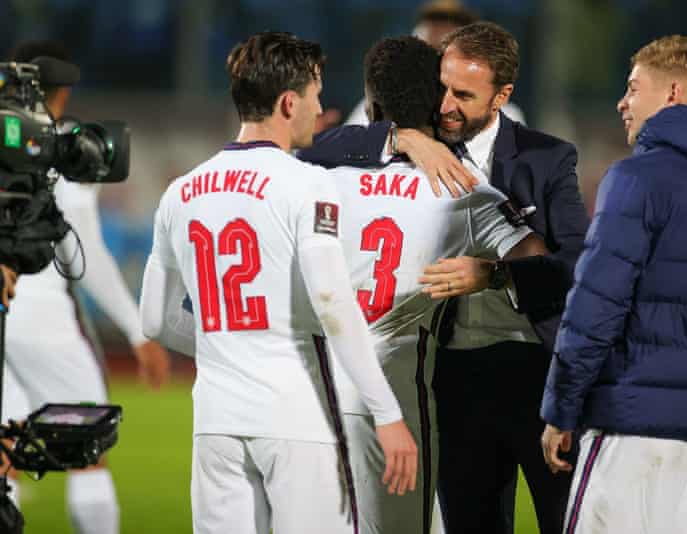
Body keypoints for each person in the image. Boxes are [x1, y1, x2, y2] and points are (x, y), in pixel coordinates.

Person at [300, 21, 589, 534]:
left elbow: (573, 267)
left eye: (464, 94)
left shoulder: (546, 157)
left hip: (533, 370)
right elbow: (316, 146)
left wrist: (493, 274)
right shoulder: (418, 159)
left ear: (502, 96)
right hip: (454, 378)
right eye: (443, 89)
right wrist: (402, 134)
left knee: (561, 520)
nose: (448, 105)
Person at [138, 32, 417, 534]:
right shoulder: (307, 182)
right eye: (314, 94)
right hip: (297, 419)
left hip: (216, 423)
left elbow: (153, 321)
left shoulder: (180, 192)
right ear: (289, 102)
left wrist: (227, 343)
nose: (320, 106)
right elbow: (332, 302)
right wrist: (387, 412)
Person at [540, 35, 687, 533]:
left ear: (671, 93)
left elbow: (594, 304)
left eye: (632, 87)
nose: (622, 102)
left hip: (631, 426)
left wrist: (561, 407)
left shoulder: (635, 179)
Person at [0, 40, 171, 534]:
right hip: (41, 318)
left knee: (5, 448)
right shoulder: (65, 147)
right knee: (88, 453)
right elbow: (84, 255)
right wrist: (138, 332)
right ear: (64, 91)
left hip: (5, 302)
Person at [341, 0, 526, 128]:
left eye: (446, 54)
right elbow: (349, 152)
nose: (436, 63)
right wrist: (401, 141)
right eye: (427, 50)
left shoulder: (502, 116)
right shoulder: (382, 105)